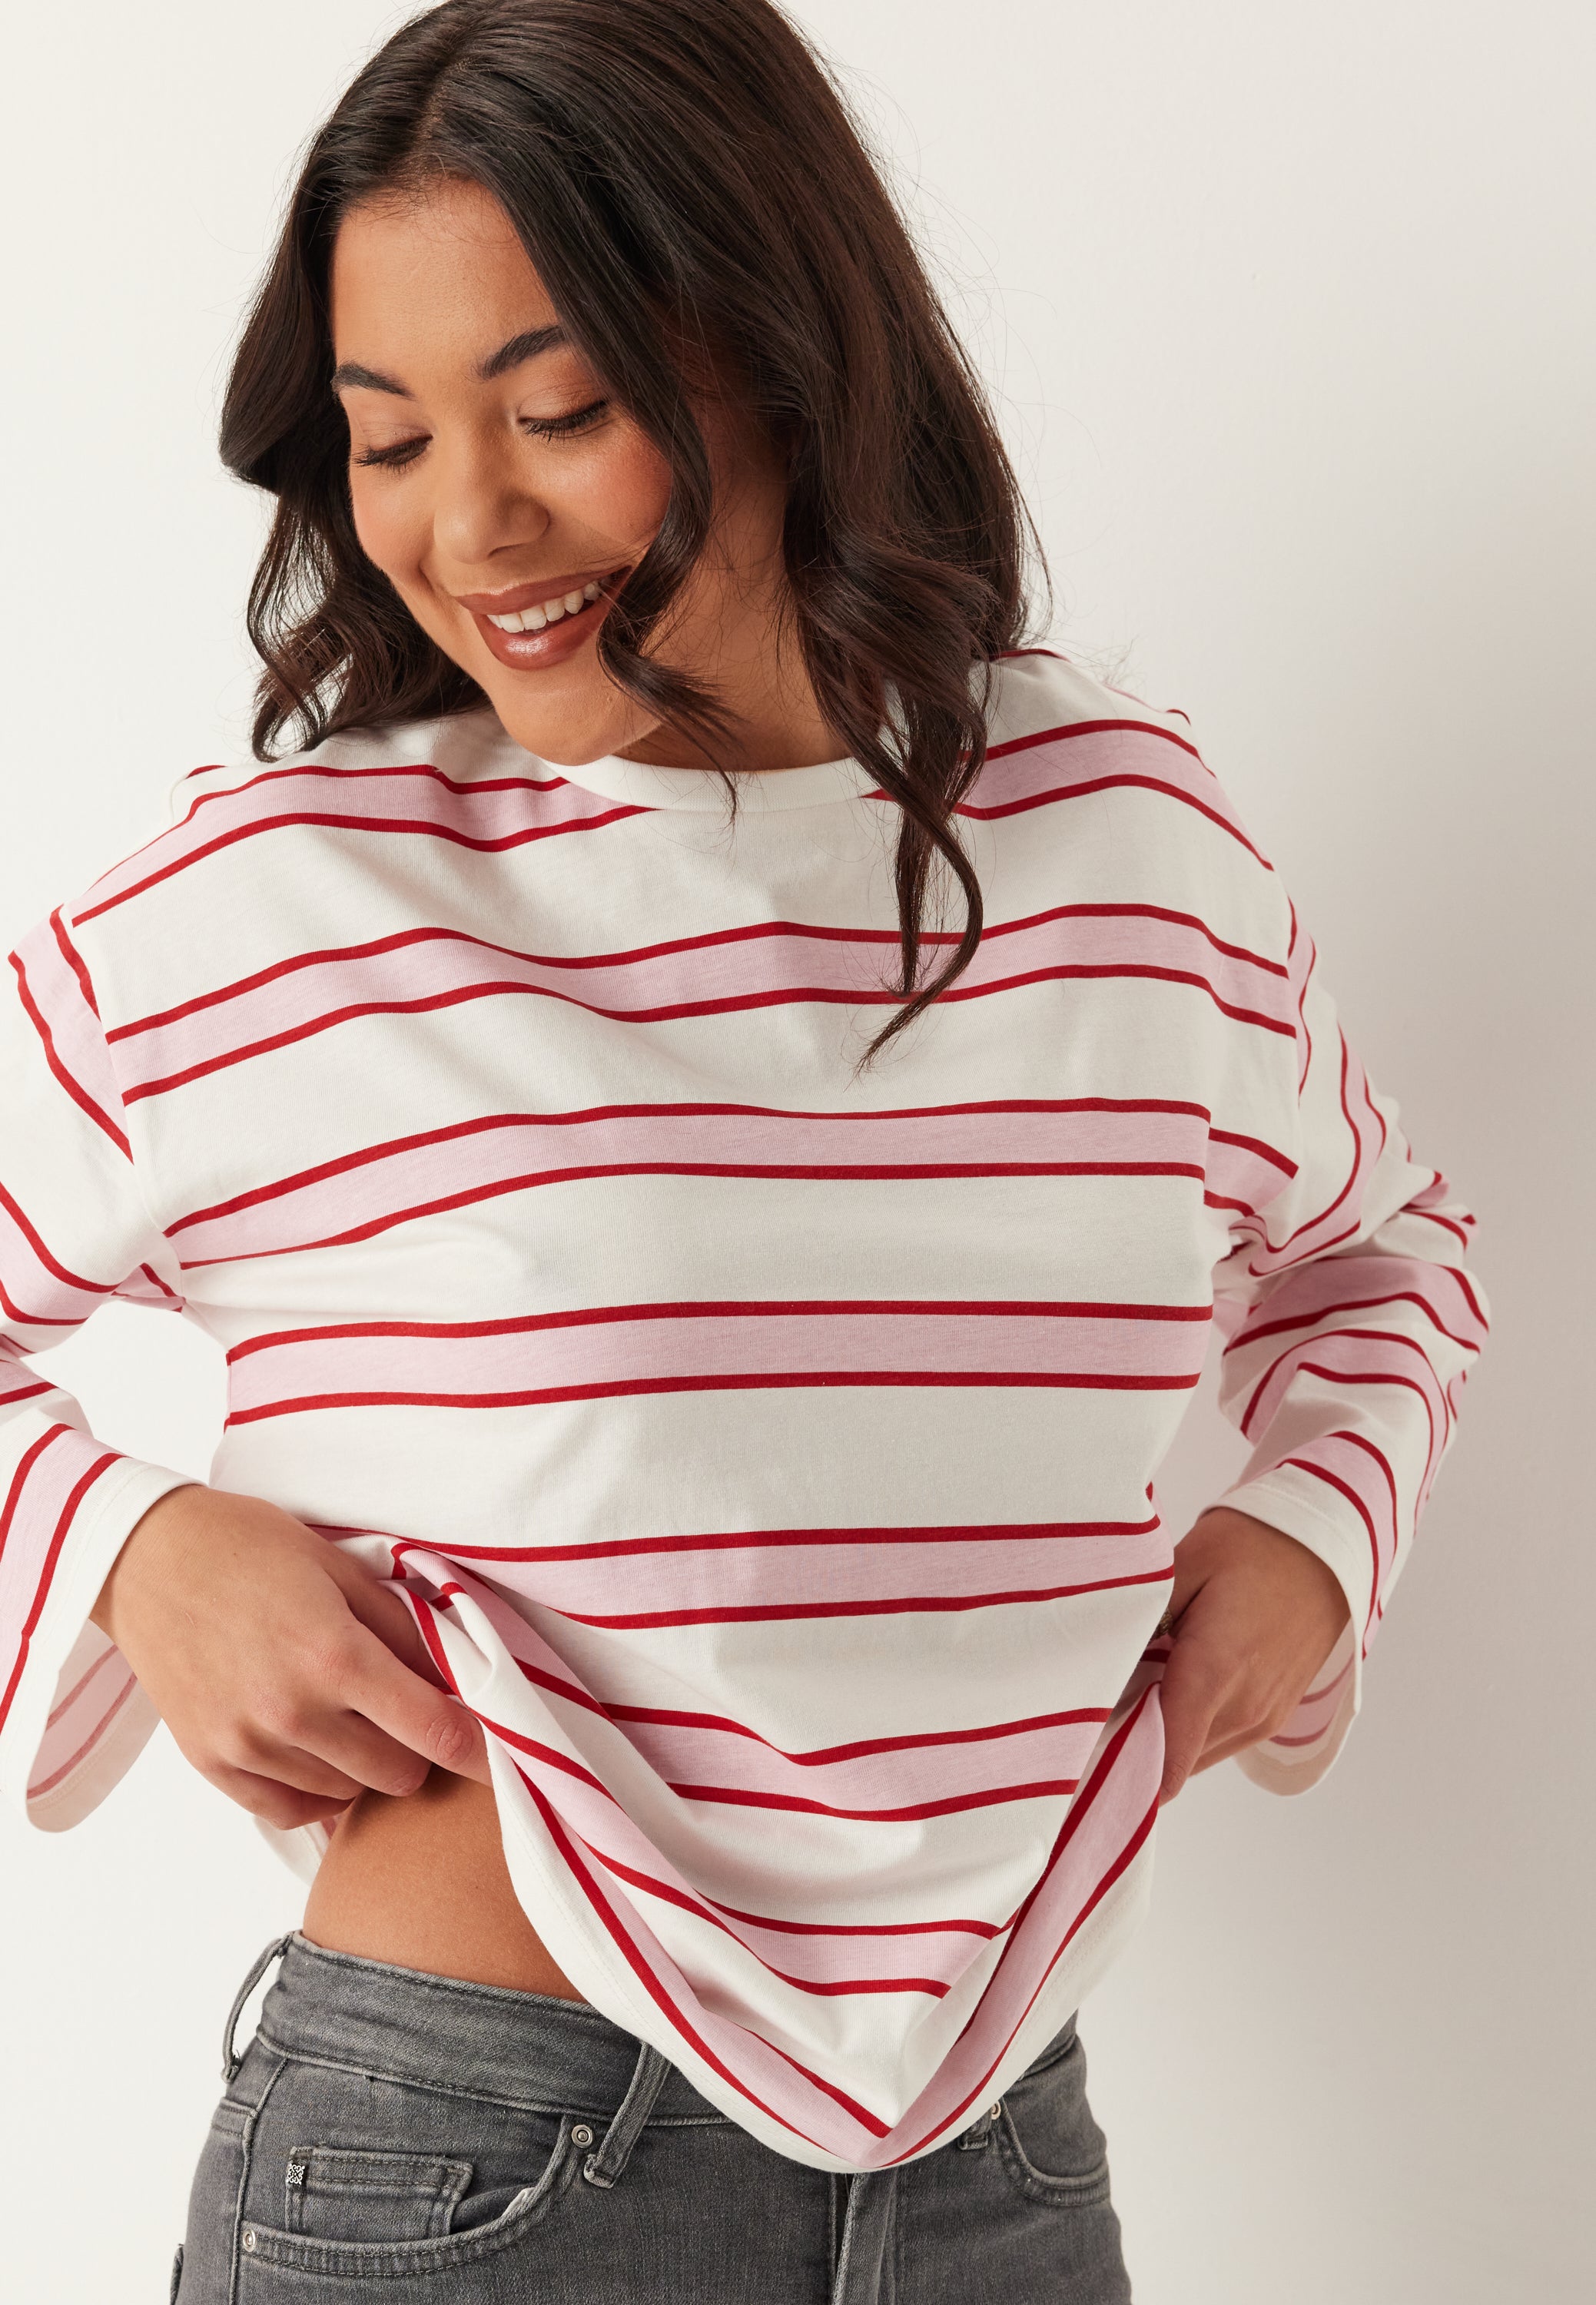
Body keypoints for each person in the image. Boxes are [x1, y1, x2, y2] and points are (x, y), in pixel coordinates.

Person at [0, 2, 1488, 2297]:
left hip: (1004, 2165)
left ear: (786, 357)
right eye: (390, 438)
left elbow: (1385, 1254)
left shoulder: (1121, 841)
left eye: (558, 412)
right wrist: (134, 1544)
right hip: (458, 2154)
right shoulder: (278, 901)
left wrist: (1308, 1536)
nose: (466, 525)